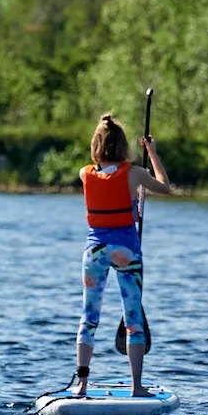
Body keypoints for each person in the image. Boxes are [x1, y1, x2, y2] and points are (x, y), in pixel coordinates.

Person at [75, 112, 172, 397]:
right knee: (133, 319)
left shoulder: (85, 173)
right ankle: (137, 387)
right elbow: (165, 187)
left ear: (96, 144)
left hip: (94, 252)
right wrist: (152, 153)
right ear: (122, 145)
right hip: (127, 251)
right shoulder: (134, 173)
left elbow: (106, 188)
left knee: (88, 317)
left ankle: (81, 384)